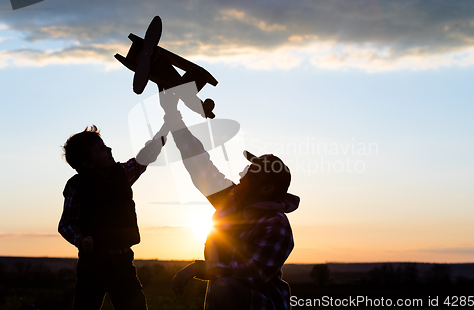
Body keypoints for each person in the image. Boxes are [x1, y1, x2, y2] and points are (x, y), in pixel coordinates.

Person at [160, 85, 300, 310]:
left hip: (263, 305)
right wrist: (173, 115)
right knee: (223, 286)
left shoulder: (277, 225)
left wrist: (199, 268)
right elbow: (198, 162)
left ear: (266, 188)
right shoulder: (232, 200)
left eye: (250, 172)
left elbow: (250, 272)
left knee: (224, 286)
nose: (242, 173)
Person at [58, 125, 164, 310]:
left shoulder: (121, 173)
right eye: (101, 148)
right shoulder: (77, 186)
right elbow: (66, 224)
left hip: (123, 261)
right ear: (87, 164)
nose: (109, 149)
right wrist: (81, 240)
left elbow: (145, 157)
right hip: (92, 264)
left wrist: (165, 130)